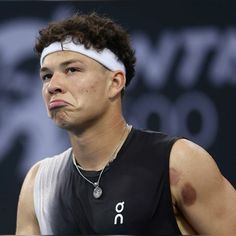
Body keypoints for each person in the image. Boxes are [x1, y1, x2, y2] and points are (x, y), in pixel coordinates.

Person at [15, 12, 236, 235]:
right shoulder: (39, 184)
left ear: (115, 82)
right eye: (46, 76)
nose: (53, 86)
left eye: (72, 70)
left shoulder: (178, 163)